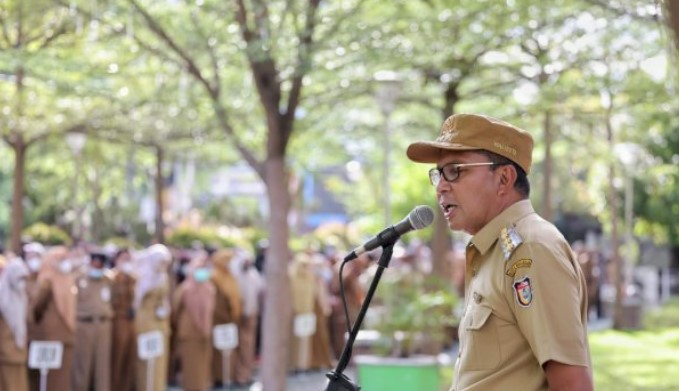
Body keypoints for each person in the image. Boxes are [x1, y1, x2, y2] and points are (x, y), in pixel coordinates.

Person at [406, 113, 593, 391]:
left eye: (456, 170)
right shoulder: (494, 249)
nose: (442, 186)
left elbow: (572, 384)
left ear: (504, 178)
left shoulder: (529, 249)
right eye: (439, 174)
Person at [30, 246, 78, 391]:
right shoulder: (49, 280)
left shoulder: (65, 279)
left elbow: (37, 308)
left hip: (62, 336)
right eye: (61, 259)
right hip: (53, 337)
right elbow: (38, 307)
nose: (65, 262)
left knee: (60, 377)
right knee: (50, 378)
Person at [171, 257, 215, 391]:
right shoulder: (185, 288)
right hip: (189, 334)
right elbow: (175, 310)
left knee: (203, 366)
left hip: (205, 333)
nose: (202, 272)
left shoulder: (209, 288)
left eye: (204, 268)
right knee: (191, 366)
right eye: (199, 268)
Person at [72, 252, 114, 391]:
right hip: (84, 324)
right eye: (94, 262)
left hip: (103, 325)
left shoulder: (108, 280)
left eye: (100, 263)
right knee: (82, 364)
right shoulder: (79, 279)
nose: (97, 265)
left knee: (102, 365)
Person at [133, 244, 172, 391]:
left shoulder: (163, 277)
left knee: (159, 358)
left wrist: (165, 309)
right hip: (146, 321)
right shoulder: (142, 277)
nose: (163, 265)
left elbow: (165, 298)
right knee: (146, 358)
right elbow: (137, 302)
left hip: (161, 322)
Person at [209, 249, 241, 387]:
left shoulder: (230, 276)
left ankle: (229, 376)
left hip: (231, 319)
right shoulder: (214, 277)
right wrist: (224, 316)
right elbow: (217, 302)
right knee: (218, 350)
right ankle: (218, 377)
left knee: (229, 350)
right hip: (220, 319)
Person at [0, 257, 30, 391]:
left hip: (19, 351)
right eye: (19, 278)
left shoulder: (22, 296)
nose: (22, 282)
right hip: (5, 354)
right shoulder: (2, 297)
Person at [110, 249, 137, 391]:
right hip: (118, 321)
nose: (127, 262)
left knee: (129, 358)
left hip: (132, 322)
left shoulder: (134, 278)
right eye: (124, 258)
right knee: (117, 358)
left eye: (129, 258)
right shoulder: (112, 277)